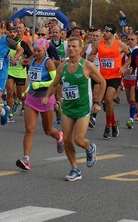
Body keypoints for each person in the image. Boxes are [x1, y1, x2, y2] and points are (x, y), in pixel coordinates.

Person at [48, 36, 104, 181]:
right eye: (69, 47)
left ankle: (90, 148)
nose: (71, 49)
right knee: (66, 139)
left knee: (78, 139)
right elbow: (55, 84)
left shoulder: (86, 65)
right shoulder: (63, 66)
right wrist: (46, 97)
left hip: (83, 107)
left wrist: (98, 102)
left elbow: (102, 81)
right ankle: (75, 169)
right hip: (68, 108)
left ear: (80, 49)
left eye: (74, 47)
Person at [15, 38, 64, 170]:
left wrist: (41, 84)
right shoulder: (32, 62)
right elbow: (30, 80)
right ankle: (26, 159)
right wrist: (26, 91)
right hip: (32, 98)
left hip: (45, 99)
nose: (36, 53)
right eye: (34, 50)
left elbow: (55, 82)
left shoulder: (48, 63)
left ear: (45, 50)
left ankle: (59, 136)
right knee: (29, 129)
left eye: (39, 51)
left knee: (48, 130)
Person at [87, 24, 130, 139]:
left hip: (115, 76)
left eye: (106, 31)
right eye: (104, 31)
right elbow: (91, 55)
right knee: (106, 102)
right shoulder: (98, 44)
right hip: (102, 77)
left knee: (109, 99)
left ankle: (108, 127)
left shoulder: (120, 44)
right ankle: (114, 123)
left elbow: (131, 56)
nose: (104, 33)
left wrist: (124, 67)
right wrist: (90, 57)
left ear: (112, 33)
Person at [6, 26, 33, 120]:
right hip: (9, 70)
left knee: (20, 94)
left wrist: (26, 61)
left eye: (14, 32)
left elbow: (32, 54)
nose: (12, 34)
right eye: (11, 32)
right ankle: (10, 113)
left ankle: (24, 105)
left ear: (17, 33)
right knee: (10, 92)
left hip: (20, 72)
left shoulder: (22, 43)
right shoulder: (6, 43)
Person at [122, 33, 138, 128]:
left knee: (132, 98)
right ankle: (136, 110)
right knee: (130, 100)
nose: (130, 41)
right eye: (129, 39)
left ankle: (130, 119)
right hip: (126, 77)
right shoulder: (125, 50)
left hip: (136, 77)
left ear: (137, 41)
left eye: (132, 39)